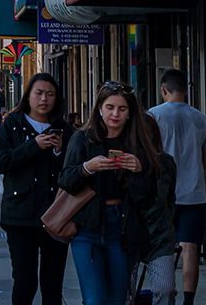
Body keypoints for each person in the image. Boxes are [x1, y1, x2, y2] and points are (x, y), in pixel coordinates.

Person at [60, 83, 166, 305]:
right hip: (86, 227)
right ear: (99, 109)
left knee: (117, 299)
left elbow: (148, 198)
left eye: (122, 109)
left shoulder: (138, 145)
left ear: (130, 113)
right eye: (110, 107)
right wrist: (87, 167)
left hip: (122, 228)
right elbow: (66, 181)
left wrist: (139, 171)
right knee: (94, 299)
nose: (115, 114)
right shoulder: (83, 139)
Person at [0, 72, 73, 305]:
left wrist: (59, 152)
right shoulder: (13, 123)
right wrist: (33, 146)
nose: (44, 99)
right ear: (28, 96)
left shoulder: (64, 129)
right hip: (20, 215)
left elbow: (73, 171)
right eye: (38, 93)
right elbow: (0, 162)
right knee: (25, 282)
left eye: (50, 94)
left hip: (56, 215)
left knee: (52, 283)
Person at [149, 70, 206, 305]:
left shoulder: (152, 116)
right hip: (194, 193)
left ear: (163, 90)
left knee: (162, 247)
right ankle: (188, 300)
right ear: (186, 90)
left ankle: (166, 292)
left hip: (163, 195)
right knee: (191, 248)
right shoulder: (203, 119)